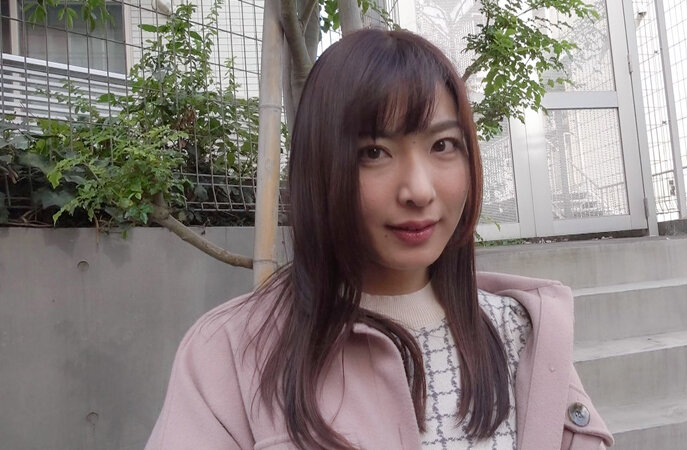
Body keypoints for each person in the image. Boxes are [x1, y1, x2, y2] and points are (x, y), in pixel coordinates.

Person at [145, 28, 613, 450]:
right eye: (374, 152)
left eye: (442, 145)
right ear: (319, 168)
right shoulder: (231, 353)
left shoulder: (520, 334)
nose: (419, 191)